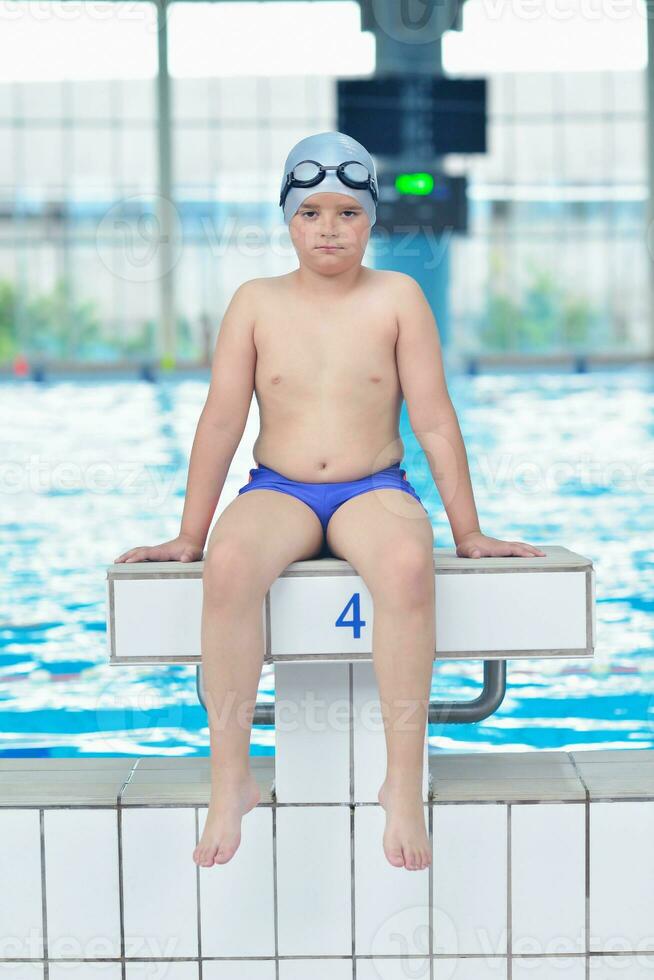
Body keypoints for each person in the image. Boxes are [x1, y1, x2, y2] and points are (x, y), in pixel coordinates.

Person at [114, 130, 546, 872]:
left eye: (347, 212)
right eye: (311, 211)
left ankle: (401, 784)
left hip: (372, 486)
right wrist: (190, 534)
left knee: (410, 566)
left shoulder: (398, 298)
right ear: (287, 218)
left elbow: (436, 418)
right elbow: (221, 421)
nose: (328, 228)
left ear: (372, 218)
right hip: (278, 486)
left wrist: (468, 531)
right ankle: (233, 779)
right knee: (228, 565)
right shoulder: (256, 302)